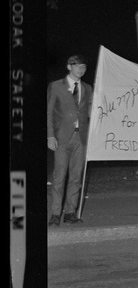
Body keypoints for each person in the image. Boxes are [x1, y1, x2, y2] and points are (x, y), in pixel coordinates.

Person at [47, 54, 93, 226]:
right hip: (62, 137)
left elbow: (89, 111)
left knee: (76, 176)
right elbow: (49, 112)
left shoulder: (87, 88)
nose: (81, 69)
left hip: (81, 138)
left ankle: (70, 212)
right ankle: (55, 213)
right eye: (78, 66)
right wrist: (50, 135)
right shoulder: (56, 86)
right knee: (59, 176)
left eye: (84, 67)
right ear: (69, 67)